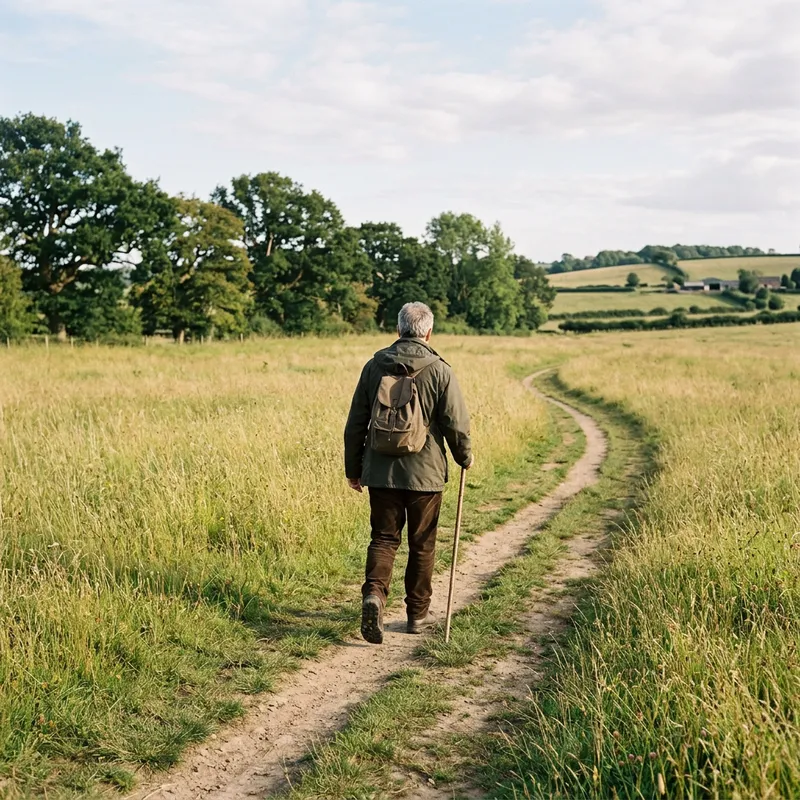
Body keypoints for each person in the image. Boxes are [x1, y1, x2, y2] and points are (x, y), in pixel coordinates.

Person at [344, 301, 473, 645]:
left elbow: (356, 423)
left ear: (398, 329)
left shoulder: (374, 366)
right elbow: (455, 423)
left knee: (384, 538)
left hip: (380, 470)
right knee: (422, 544)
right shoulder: (440, 370)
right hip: (425, 473)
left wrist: (353, 469)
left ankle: (374, 596)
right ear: (428, 332)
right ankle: (416, 615)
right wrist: (465, 456)